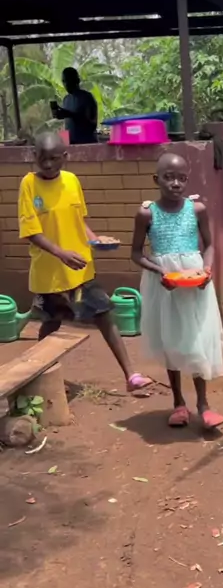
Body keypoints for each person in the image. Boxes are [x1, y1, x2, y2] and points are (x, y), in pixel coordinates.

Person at [18, 131, 152, 393]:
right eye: (43, 158)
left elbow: (78, 220)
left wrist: (95, 240)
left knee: (103, 314)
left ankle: (131, 375)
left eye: (54, 158)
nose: (48, 164)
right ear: (34, 156)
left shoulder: (71, 181)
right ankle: (37, 374)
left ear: (65, 157)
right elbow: (32, 232)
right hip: (50, 273)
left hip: (80, 269)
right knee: (52, 322)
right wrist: (61, 253)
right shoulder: (29, 184)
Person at [131, 152, 223, 429]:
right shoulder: (146, 213)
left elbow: (209, 245)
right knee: (170, 339)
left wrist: (206, 269)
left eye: (181, 178)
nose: (175, 183)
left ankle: (203, 405)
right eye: (169, 177)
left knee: (197, 338)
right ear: (156, 179)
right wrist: (159, 271)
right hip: (164, 286)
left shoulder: (197, 209)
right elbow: (136, 253)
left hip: (195, 283)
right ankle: (178, 403)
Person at [50, 67, 97, 145]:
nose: (66, 84)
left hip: (87, 144)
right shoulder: (66, 99)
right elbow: (68, 125)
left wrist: (70, 114)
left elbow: (92, 124)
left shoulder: (87, 97)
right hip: (71, 144)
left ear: (77, 80)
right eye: (64, 81)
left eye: (69, 80)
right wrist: (60, 115)